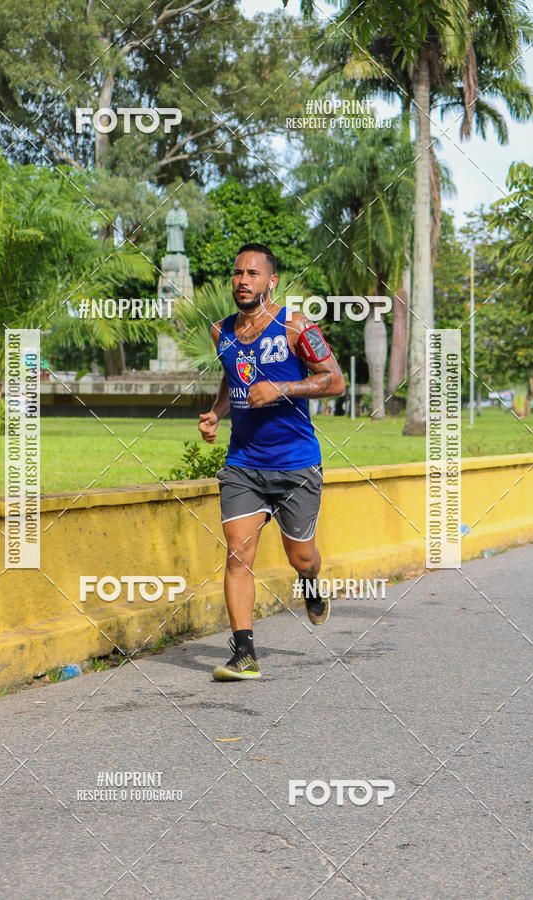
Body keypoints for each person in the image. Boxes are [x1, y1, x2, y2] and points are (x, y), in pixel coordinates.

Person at [198, 243, 345, 681]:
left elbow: (335, 381)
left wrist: (282, 390)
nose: (243, 281)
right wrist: (216, 413)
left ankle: (311, 583)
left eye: (253, 274)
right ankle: (244, 653)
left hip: (296, 464)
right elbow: (231, 378)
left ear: (272, 281)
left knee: (301, 557)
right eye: (238, 272)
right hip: (243, 463)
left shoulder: (298, 327)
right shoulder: (220, 331)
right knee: (238, 554)